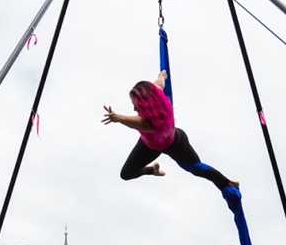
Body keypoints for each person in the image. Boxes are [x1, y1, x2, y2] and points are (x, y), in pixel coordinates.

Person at [102, 72, 239, 192]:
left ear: (146, 106)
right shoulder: (157, 94)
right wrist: (162, 75)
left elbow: (132, 122)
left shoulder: (150, 123)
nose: (134, 108)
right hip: (156, 143)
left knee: (197, 168)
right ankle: (152, 170)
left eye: (136, 105)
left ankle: (228, 183)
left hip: (174, 144)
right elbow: (158, 84)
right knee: (126, 173)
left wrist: (117, 118)